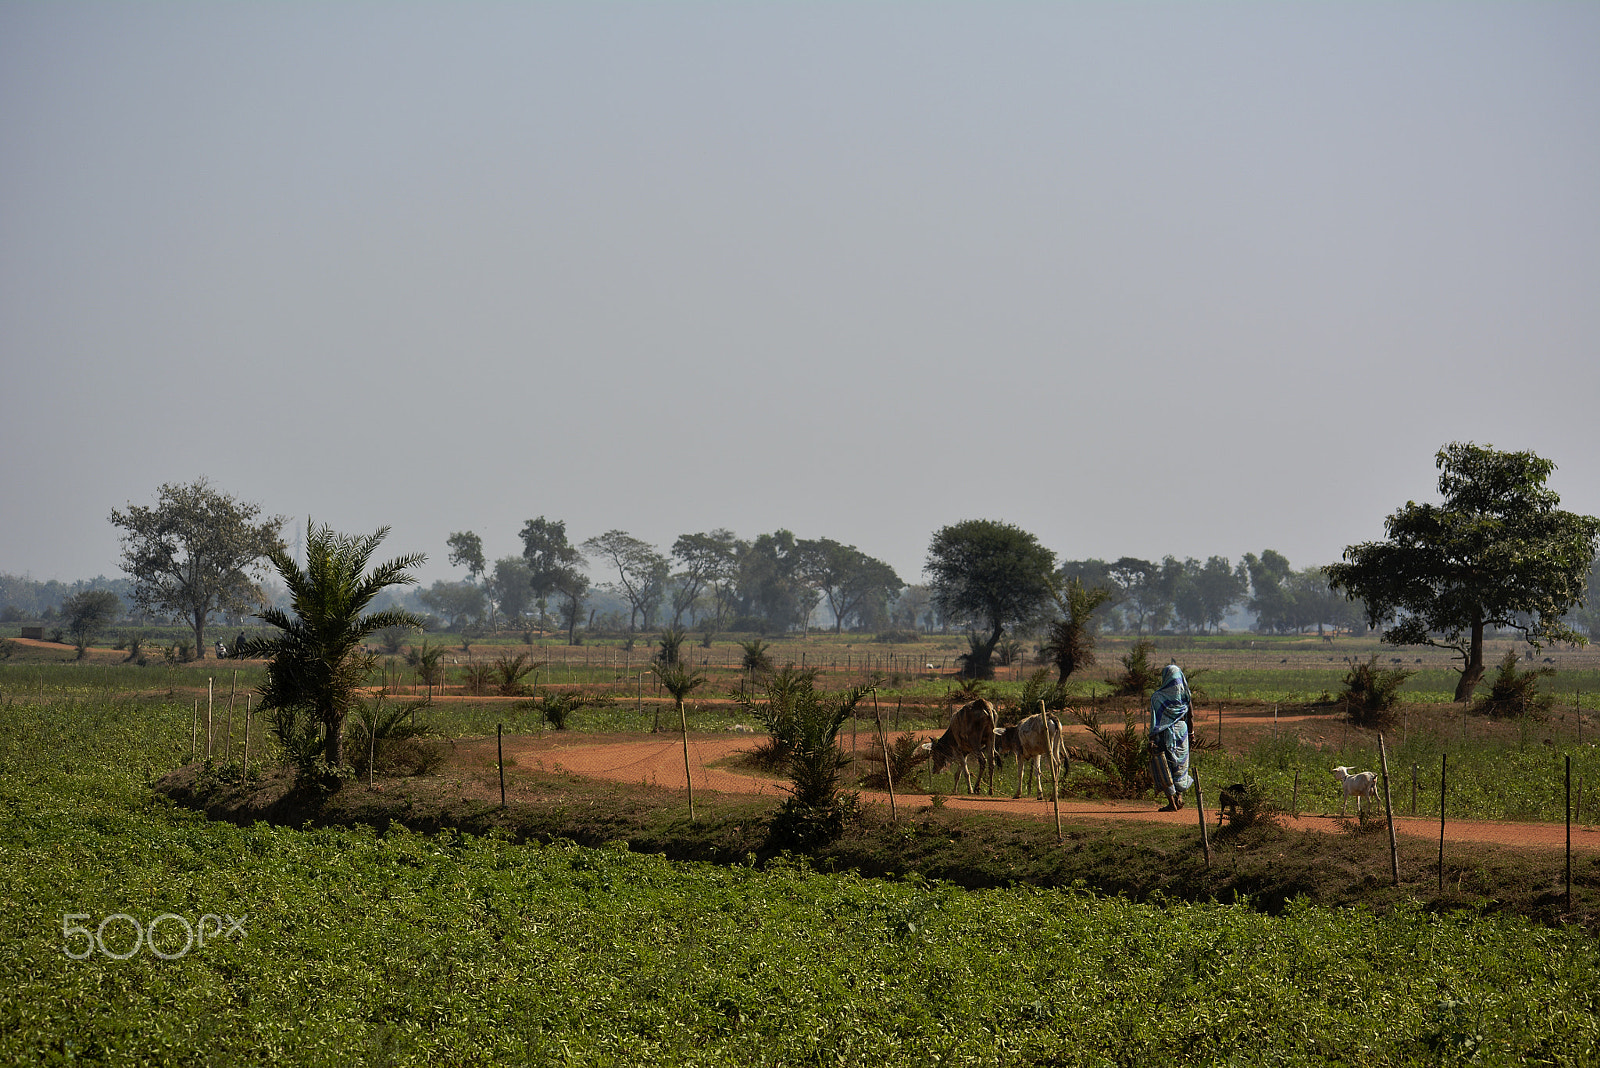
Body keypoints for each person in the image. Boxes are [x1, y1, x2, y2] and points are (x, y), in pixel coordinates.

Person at [1149, 662, 1194, 811]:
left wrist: (1152, 738)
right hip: (1182, 732)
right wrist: (1191, 734)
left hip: (1165, 735)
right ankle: (1179, 797)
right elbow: (1191, 716)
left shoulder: (1157, 697)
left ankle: (1171, 802)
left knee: (1165, 766)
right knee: (1181, 766)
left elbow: (1155, 720)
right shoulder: (1186, 695)